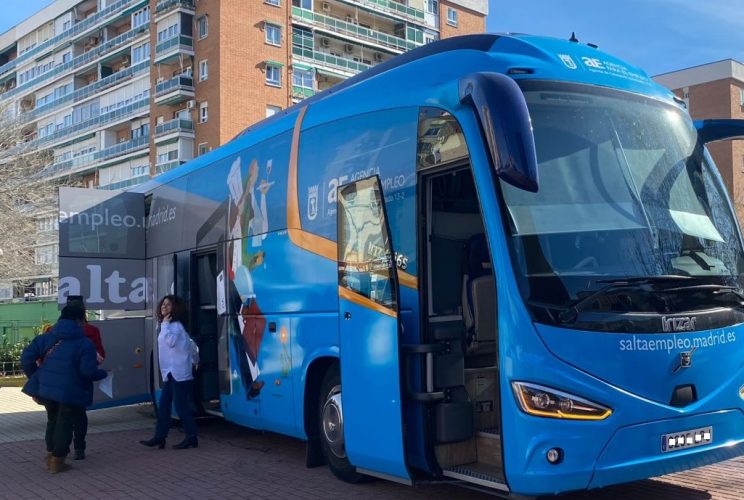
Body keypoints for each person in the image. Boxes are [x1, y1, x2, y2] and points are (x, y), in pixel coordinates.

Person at [21, 305, 107, 474]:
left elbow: (26, 359)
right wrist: (102, 374)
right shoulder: (84, 343)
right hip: (70, 389)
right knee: (65, 423)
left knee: (52, 419)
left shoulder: (45, 338)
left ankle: (50, 455)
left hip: (45, 388)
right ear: (80, 320)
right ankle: (57, 462)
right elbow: (87, 371)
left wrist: (35, 376)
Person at [140, 295, 199, 450]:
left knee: (180, 406)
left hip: (179, 371)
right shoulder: (170, 325)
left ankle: (191, 436)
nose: (164, 307)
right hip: (171, 372)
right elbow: (190, 344)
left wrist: (165, 325)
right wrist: (195, 359)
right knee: (164, 404)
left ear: (175, 308)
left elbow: (171, 342)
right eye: (163, 304)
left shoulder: (175, 325)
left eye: (168, 305)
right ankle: (160, 436)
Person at [65, 295, 105, 460]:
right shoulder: (92, 331)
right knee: (80, 415)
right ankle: (79, 448)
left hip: (63, 378)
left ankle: (60, 449)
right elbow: (101, 355)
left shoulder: (53, 330)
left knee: (63, 416)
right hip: (83, 378)